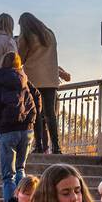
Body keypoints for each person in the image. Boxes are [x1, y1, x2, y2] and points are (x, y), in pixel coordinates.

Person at [16, 14, 70, 156]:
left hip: (34, 79)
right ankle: (57, 147)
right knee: (50, 115)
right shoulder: (49, 34)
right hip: (50, 80)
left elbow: (19, 58)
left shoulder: (27, 36)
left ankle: (38, 146)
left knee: (37, 114)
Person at [0, 53, 41, 202]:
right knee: (20, 169)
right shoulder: (24, 79)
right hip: (27, 129)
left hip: (7, 129)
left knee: (8, 175)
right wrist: (33, 117)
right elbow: (37, 96)